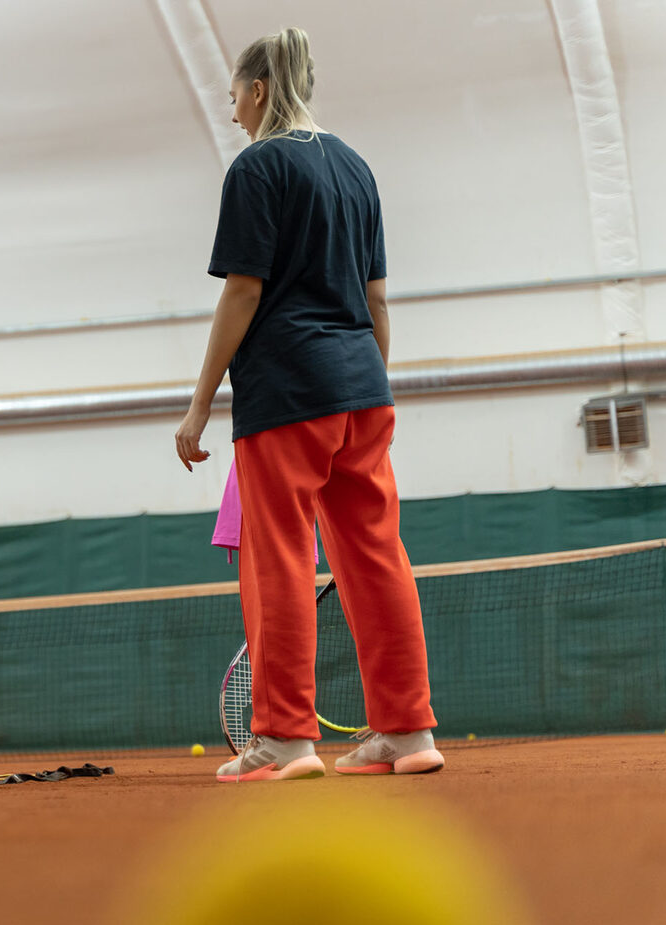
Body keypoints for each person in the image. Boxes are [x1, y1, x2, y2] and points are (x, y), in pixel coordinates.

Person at [173, 28, 442, 782]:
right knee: (377, 554)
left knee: (278, 558)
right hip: (361, 386)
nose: (232, 115)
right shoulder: (356, 168)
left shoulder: (257, 166)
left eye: (233, 98)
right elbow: (377, 299)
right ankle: (408, 730)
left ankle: (286, 740)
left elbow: (243, 291)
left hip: (288, 389)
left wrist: (199, 406)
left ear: (257, 91)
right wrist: (366, 385)